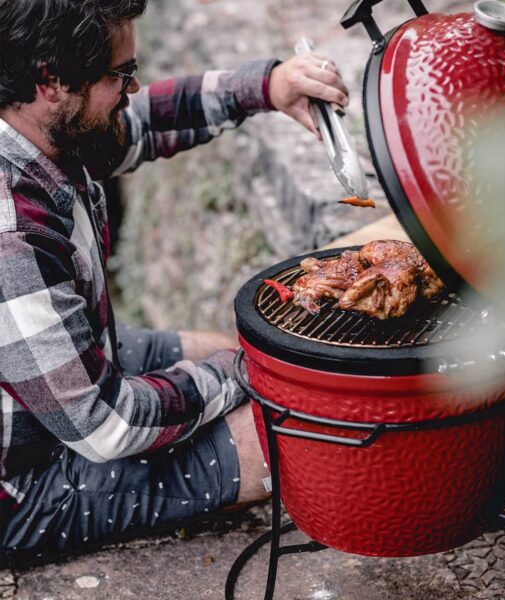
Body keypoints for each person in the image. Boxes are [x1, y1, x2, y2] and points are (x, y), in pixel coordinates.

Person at [0, 0, 349, 566]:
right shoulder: (11, 233)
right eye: (121, 74)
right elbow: (106, 425)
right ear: (50, 81)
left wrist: (267, 86)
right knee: (287, 431)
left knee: (232, 360)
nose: (133, 88)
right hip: (22, 487)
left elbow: (146, 122)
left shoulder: (38, 127)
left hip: (44, 373)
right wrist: (251, 371)